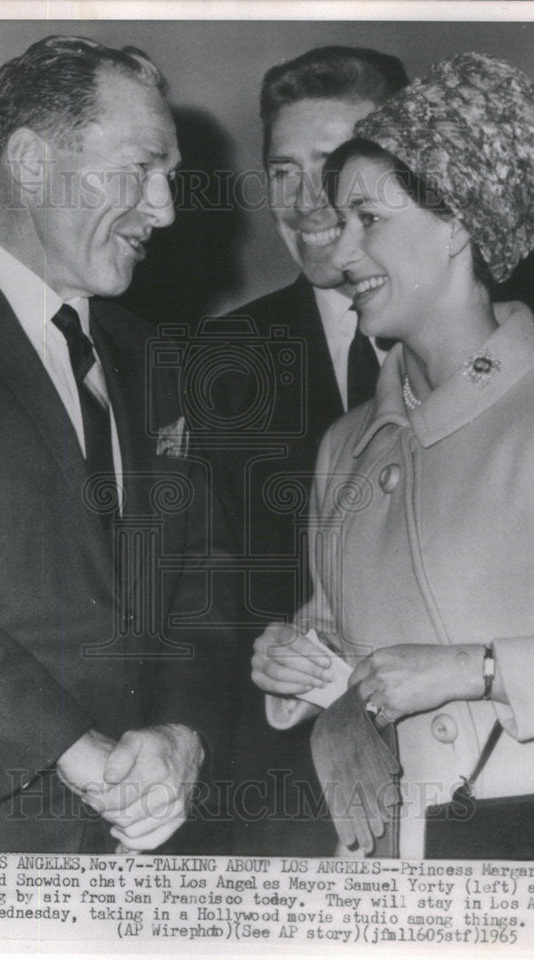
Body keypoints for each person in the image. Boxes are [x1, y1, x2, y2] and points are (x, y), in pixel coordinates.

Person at [251, 53, 534, 859]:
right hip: (380, 863)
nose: (339, 256)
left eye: (367, 219)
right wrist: (304, 662)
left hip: (530, 856)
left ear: (457, 223)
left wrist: (474, 669)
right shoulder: (345, 445)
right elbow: (356, 643)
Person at [0, 35, 236, 855]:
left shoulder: (154, 360)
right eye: (139, 169)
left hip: (145, 853)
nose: (164, 208)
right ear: (30, 162)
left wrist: (180, 733)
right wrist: (69, 748)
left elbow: (204, 580)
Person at [223, 46, 408, 856]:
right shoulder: (212, 363)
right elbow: (199, 583)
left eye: (330, 168)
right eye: (282, 172)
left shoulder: (518, 364)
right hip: (280, 793)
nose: (303, 205)